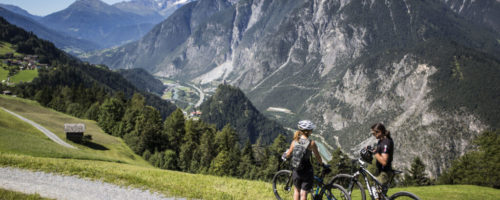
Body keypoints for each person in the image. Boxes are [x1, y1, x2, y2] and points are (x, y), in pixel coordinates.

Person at [283, 120, 324, 200]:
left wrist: (284, 155)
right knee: (303, 193)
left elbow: (288, 154)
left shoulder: (294, 141)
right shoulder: (311, 143)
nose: (312, 131)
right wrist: (322, 164)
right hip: (307, 171)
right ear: (308, 132)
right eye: (311, 130)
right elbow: (318, 157)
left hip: (296, 170)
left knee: (296, 191)